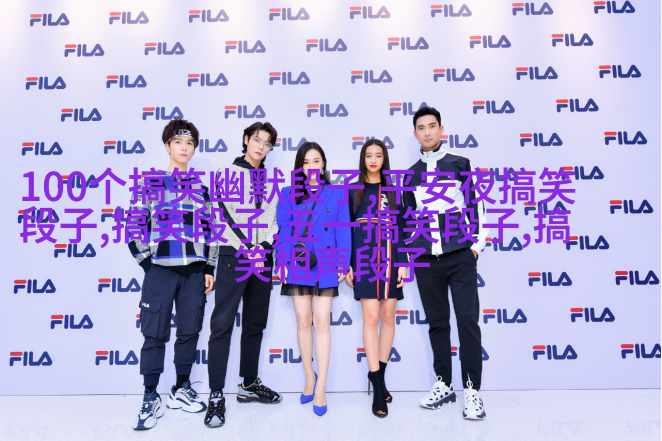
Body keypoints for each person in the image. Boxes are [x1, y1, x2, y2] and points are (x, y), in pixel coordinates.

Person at [128, 119, 217, 430]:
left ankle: (181, 388)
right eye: (178, 142)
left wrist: (208, 267)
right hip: (160, 271)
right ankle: (150, 396)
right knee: (154, 334)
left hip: (194, 272)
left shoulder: (202, 190)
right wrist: (148, 264)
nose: (184, 147)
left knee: (189, 331)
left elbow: (212, 232)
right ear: (167, 146)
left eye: (190, 143)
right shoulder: (150, 184)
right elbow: (134, 226)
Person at [402, 106, 489, 420]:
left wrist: (475, 247)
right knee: (437, 324)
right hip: (426, 261)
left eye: (431, 126)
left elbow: (476, 206)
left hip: (460, 257)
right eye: (421, 128)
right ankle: (444, 384)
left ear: (441, 129)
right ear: (415, 134)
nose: (427, 132)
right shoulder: (409, 175)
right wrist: (409, 256)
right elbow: (406, 220)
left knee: (467, 322)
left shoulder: (459, 163)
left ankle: (472, 391)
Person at [204, 122, 281, 428]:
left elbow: (274, 221)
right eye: (257, 140)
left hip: (262, 258)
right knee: (222, 325)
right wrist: (246, 246)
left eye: (267, 143)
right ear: (246, 140)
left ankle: (248, 384)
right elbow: (219, 216)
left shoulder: (271, 180)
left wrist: (263, 246)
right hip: (233, 257)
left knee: (254, 324)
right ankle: (215, 394)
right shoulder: (225, 173)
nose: (261, 147)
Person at [275, 142, 351, 417]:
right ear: (299, 166)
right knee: (302, 320)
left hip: (327, 261)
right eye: (305, 162)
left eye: (315, 161)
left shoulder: (337, 193)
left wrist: (343, 261)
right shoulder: (287, 194)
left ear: (323, 164)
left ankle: (321, 387)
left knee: (321, 323)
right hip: (298, 262)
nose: (311, 167)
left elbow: (343, 231)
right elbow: (283, 231)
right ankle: (309, 375)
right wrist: (281, 260)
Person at [345, 139, 407, 418]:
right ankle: (379, 387)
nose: (373, 160)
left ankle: (377, 376)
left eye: (378, 155)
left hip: (390, 259)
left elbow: (402, 229)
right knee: (371, 318)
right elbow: (346, 230)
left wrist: (403, 263)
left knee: (388, 317)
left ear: (384, 159)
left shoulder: (394, 190)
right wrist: (348, 264)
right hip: (364, 259)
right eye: (368, 155)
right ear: (363, 159)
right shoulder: (353, 190)